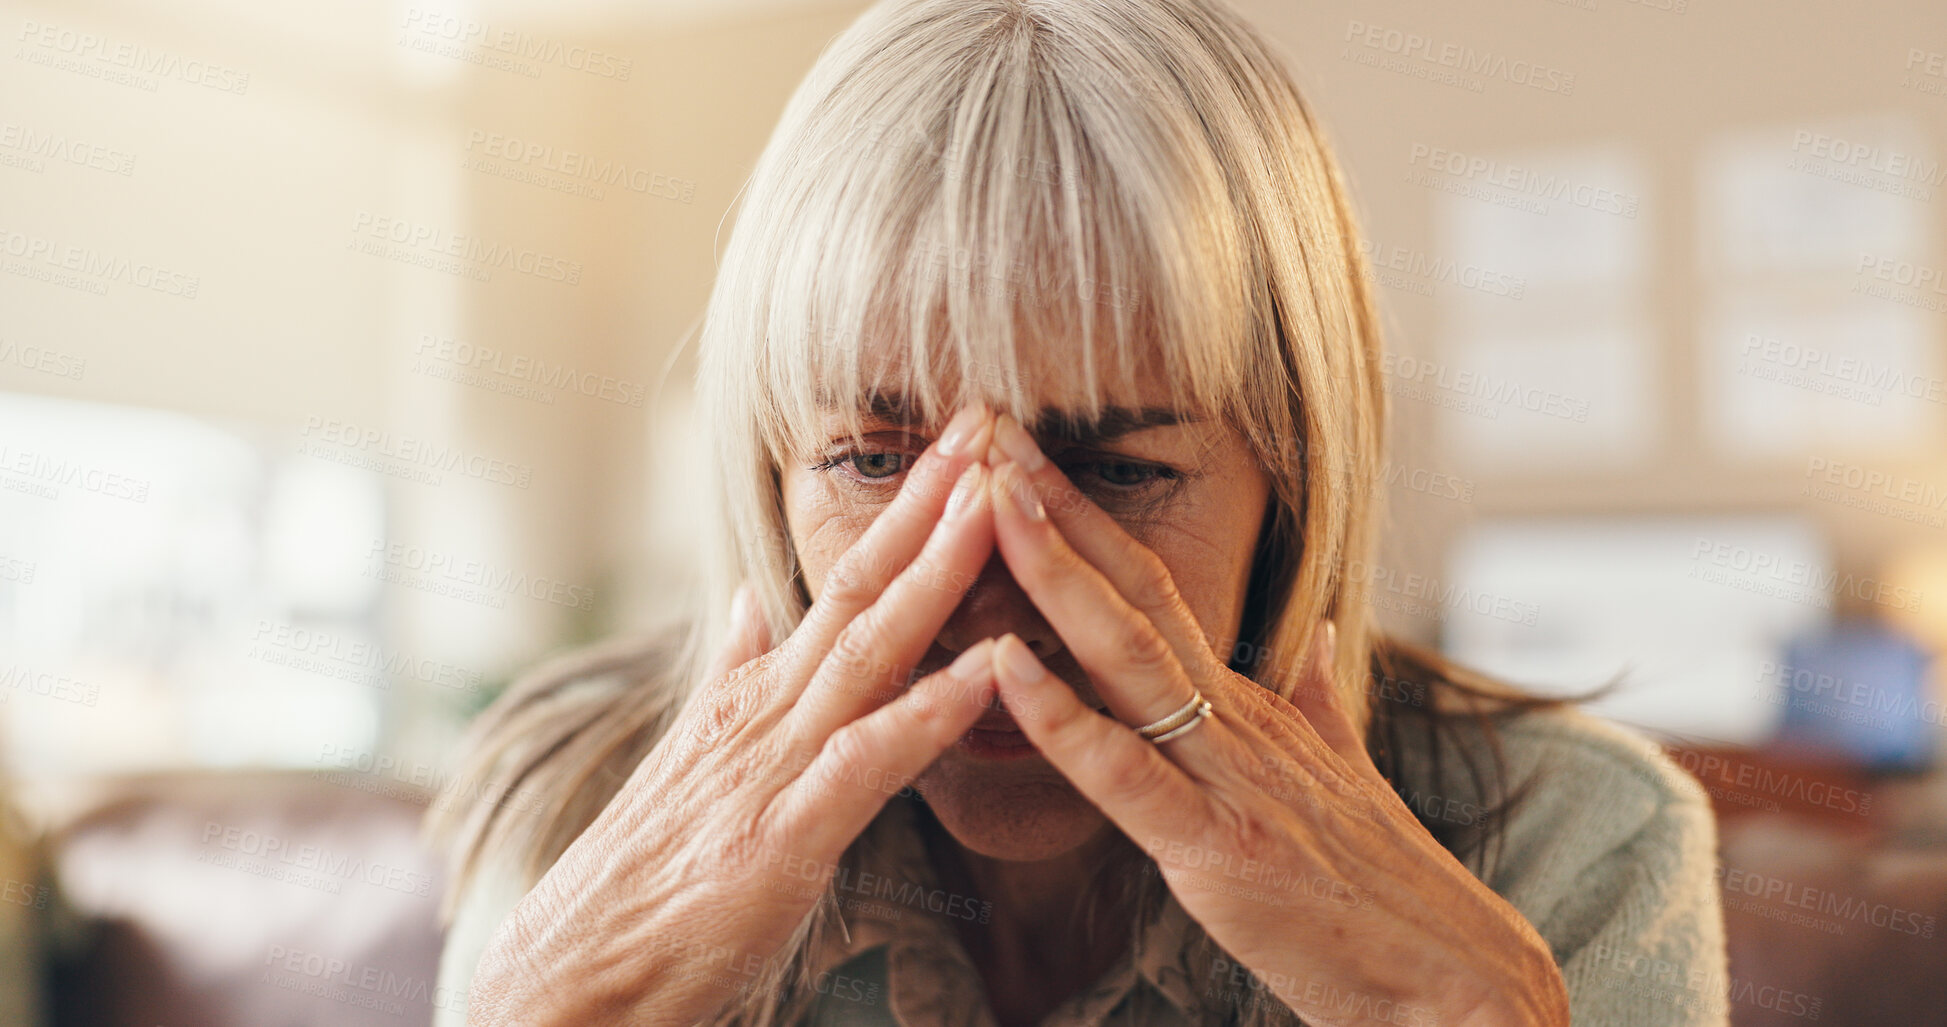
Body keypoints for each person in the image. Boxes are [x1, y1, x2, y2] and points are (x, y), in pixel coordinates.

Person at [426, 1, 1729, 1023]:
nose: (988, 597)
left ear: (1294, 480)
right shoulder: (577, 805)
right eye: (877, 463)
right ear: (768, 471)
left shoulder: (1577, 844)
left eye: (1113, 474)